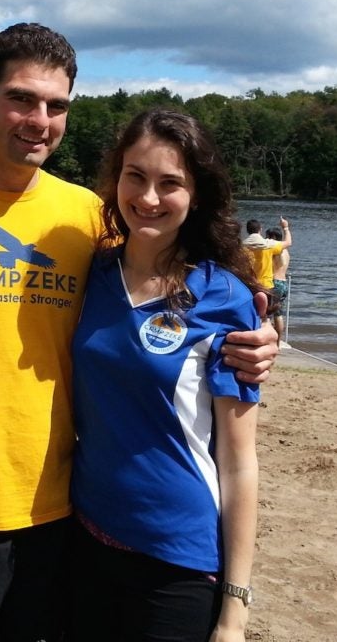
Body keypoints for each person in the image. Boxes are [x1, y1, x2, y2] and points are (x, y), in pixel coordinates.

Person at [0, 23, 279, 642]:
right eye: (21, 98)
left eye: (56, 105)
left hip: (63, 518)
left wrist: (256, 339)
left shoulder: (88, 220)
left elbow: (169, 282)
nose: (38, 119)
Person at [68, 109, 263, 642]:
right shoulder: (90, 275)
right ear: (115, 179)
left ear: (196, 194)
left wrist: (235, 608)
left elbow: (239, 461)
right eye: (136, 176)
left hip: (179, 560)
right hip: (84, 537)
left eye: (170, 183)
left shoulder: (224, 297)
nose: (148, 198)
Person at [266, 221, 292, 339]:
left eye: (268, 237)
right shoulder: (285, 251)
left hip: (275, 282)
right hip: (284, 283)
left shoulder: (276, 250)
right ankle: (278, 341)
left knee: (268, 313)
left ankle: (271, 338)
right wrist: (286, 228)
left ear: (274, 237)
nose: (266, 240)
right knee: (278, 313)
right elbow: (288, 241)